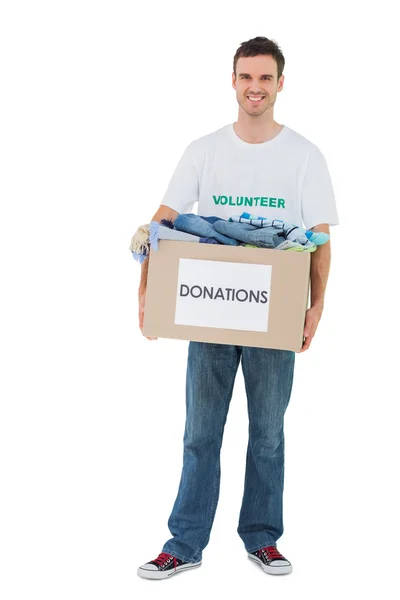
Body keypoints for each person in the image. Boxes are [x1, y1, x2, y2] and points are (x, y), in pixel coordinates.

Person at [137, 36, 339, 580]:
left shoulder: (304, 156)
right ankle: (184, 543)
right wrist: (148, 296)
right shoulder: (204, 150)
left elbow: (320, 237)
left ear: (280, 83)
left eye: (265, 78)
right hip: (212, 310)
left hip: (273, 315)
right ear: (233, 81)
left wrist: (317, 306)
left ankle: (262, 539)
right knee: (200, 431)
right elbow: (163, 222)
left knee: (268, 433)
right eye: (246, 77)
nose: (255, 87)